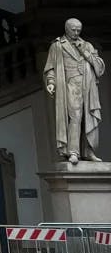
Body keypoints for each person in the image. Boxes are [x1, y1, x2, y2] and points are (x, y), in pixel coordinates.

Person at [43, 18, 105, 164]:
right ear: (66, 29)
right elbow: (51, 67)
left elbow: (99, 67)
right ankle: (73, 152)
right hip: (70, 85)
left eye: (79, 30)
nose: (76, 33)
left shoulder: (87, 45)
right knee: (75, 117)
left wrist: (85, 52)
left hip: (87, 85)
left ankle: (89, 151)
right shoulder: (58, 46)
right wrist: (51, 82)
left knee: (88, 116)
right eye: (73, 30)